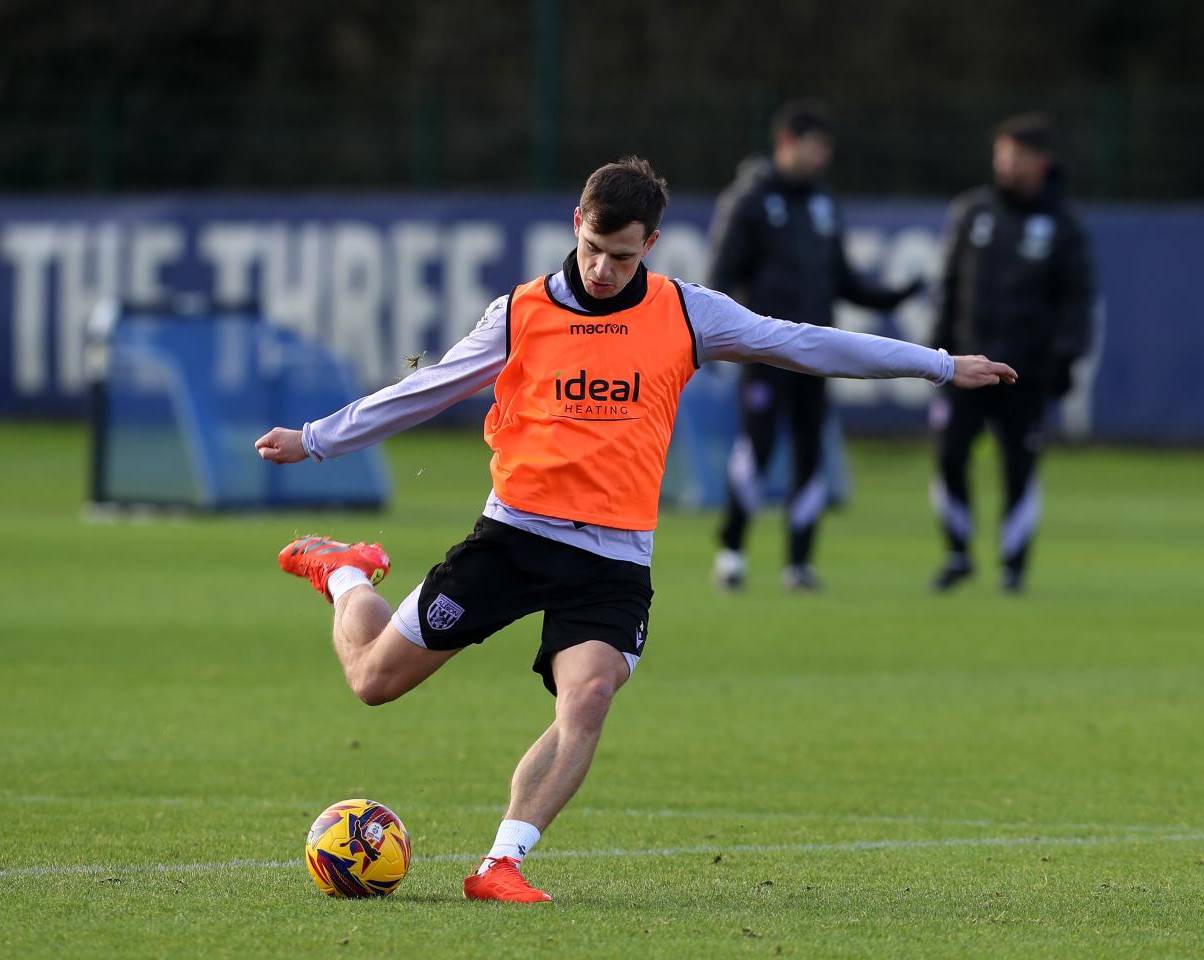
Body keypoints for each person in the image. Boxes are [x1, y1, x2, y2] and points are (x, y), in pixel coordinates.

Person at [254, 157, 1016, 903]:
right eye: (592, 248)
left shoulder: (687, 312)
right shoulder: (520, 312)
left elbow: (804, 342)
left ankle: (501, 864)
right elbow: (425, 390)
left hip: (613, 559)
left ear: (650, 244)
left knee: (586, 698)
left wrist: (941, 366)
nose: (603, 269)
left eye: (622, 256)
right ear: (575, 225)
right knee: (374, 683)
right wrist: (315, 439)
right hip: (512, 539)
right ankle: (345, 570)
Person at [708, 100, 925, 593]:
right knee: (756, 450)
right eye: (814, 147)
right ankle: (732, 551)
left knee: (811, 453)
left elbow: (843, 280)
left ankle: (799, 562)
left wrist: (895, 294)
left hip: (817, 356)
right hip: (763, 353)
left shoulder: (824, 205)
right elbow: (720, 279)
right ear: (786, 143)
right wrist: (725, 340)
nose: (822, 158)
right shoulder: (751, 199)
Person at [929, 113, 1094, 594]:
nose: (1007, 164)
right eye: (1002, 154)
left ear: (1041, 162)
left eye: (1018, 156)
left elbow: (1078, 299)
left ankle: (1013, 565)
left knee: (1019, 467)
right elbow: (949, 287)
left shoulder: (1064, 226)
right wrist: (933, 354)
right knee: (950, 457)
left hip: (1026, 371)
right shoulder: (973, 211)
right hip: (965, 366)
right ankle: (958, 552)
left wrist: (1067, 357)